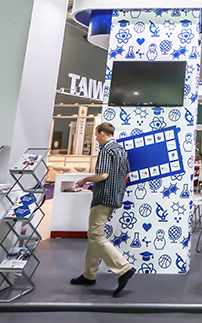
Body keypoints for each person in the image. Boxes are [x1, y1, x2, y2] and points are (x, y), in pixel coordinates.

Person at [70, 123, 136, 296]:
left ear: (102, 133)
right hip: (115, 197)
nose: (96, 138)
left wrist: (85, 179)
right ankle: (89, 274)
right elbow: (126, 174)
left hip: (103, 198)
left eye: (96, 135)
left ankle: (123, 268)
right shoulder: (121, 150)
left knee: (96, 235)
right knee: (94, 235)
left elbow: (103, 175)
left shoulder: (106, 149)